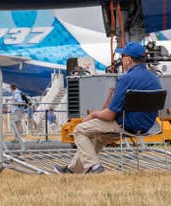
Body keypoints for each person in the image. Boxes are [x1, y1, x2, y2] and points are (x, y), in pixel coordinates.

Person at [55, 42, 162, 174]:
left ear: (128, 59)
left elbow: (110, 115)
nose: (121, 59)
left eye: (122, 56)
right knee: (98, 137)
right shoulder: (154, 78)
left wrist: (93, 114)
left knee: (79, 130)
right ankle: (72, 169)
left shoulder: (126, 79)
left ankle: (94, 166)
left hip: (126, 125)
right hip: (148, 126)